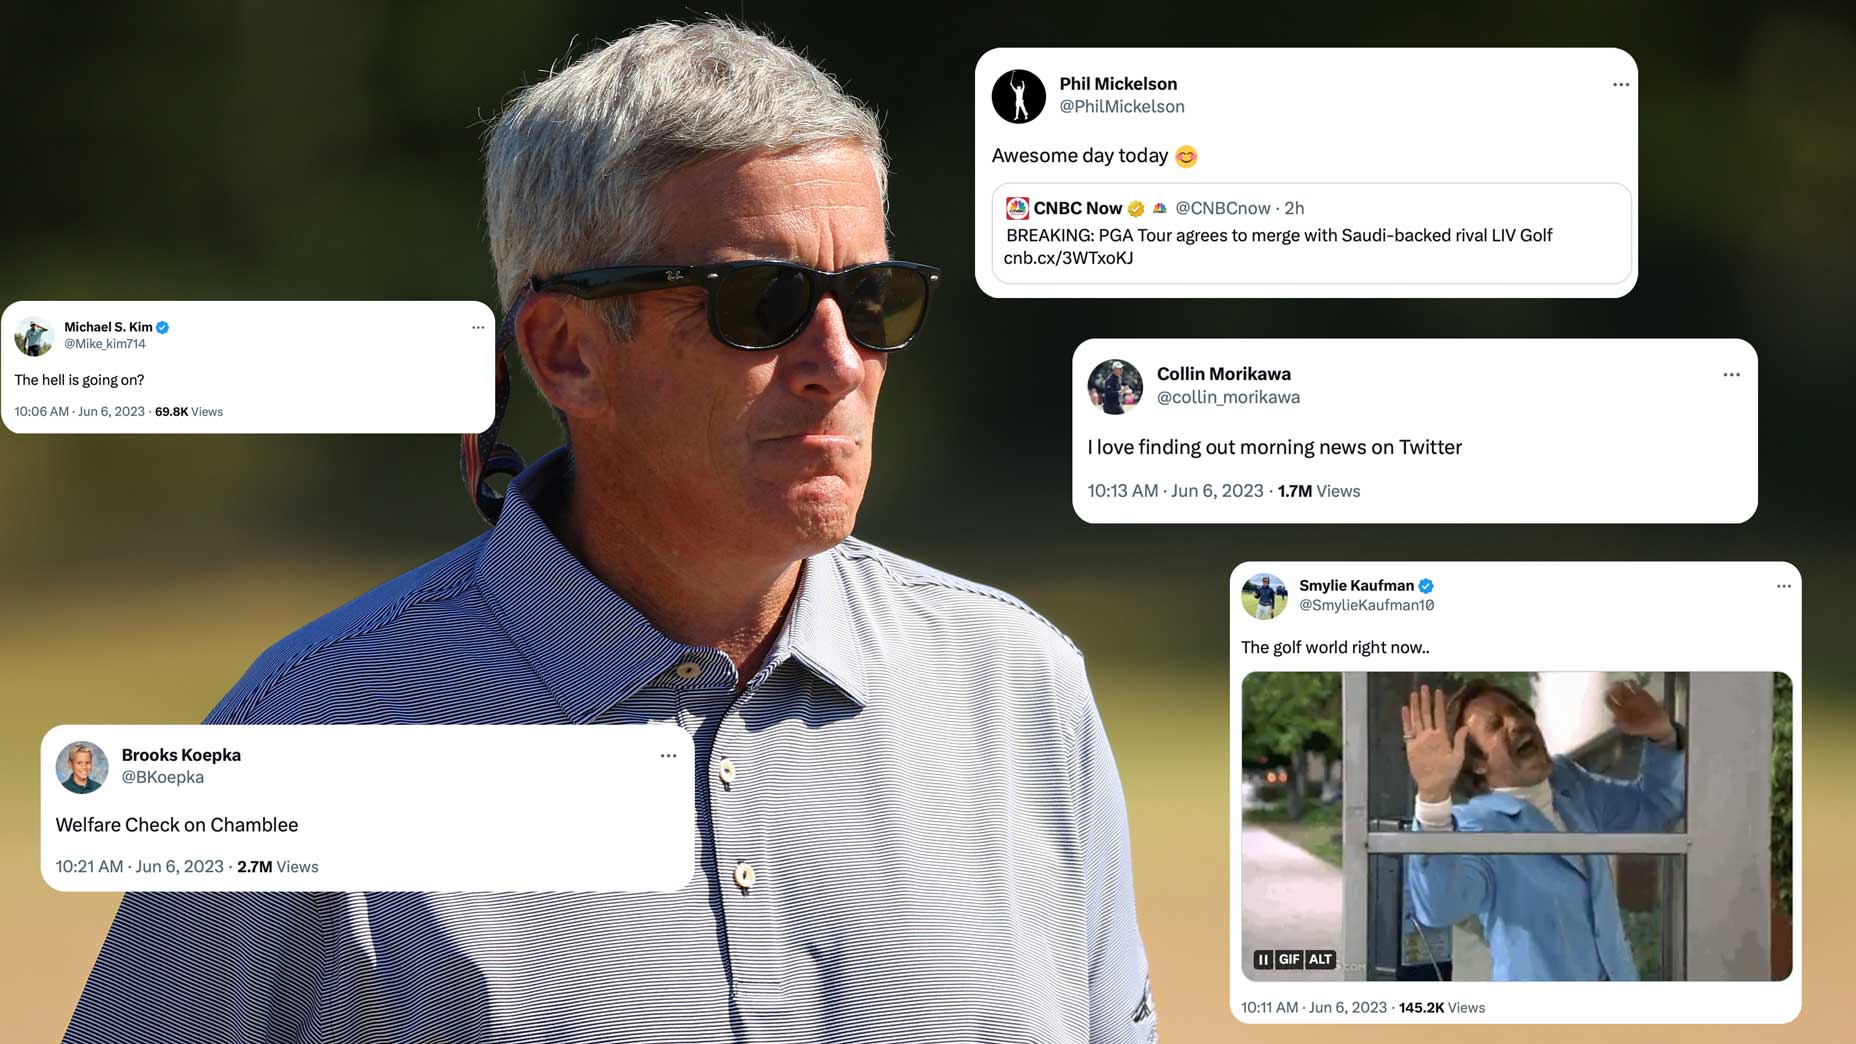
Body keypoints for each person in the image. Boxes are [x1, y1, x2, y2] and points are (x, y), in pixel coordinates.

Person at [67, 21, 1151, 1044]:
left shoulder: (1022, 691)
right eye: (759, 302)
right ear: (564, 352)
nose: (835, 360)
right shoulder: (304, 737)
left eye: (870, 300)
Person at [1400, 680, 1685, 981]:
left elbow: (1653, 808)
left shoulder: (1569, 784)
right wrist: (1432, 799)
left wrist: (1661, 735)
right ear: (1478, 764)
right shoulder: (1477, 824)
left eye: (1516, 711)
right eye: (1495, 725)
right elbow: (1439, 906)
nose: (1516, 723)